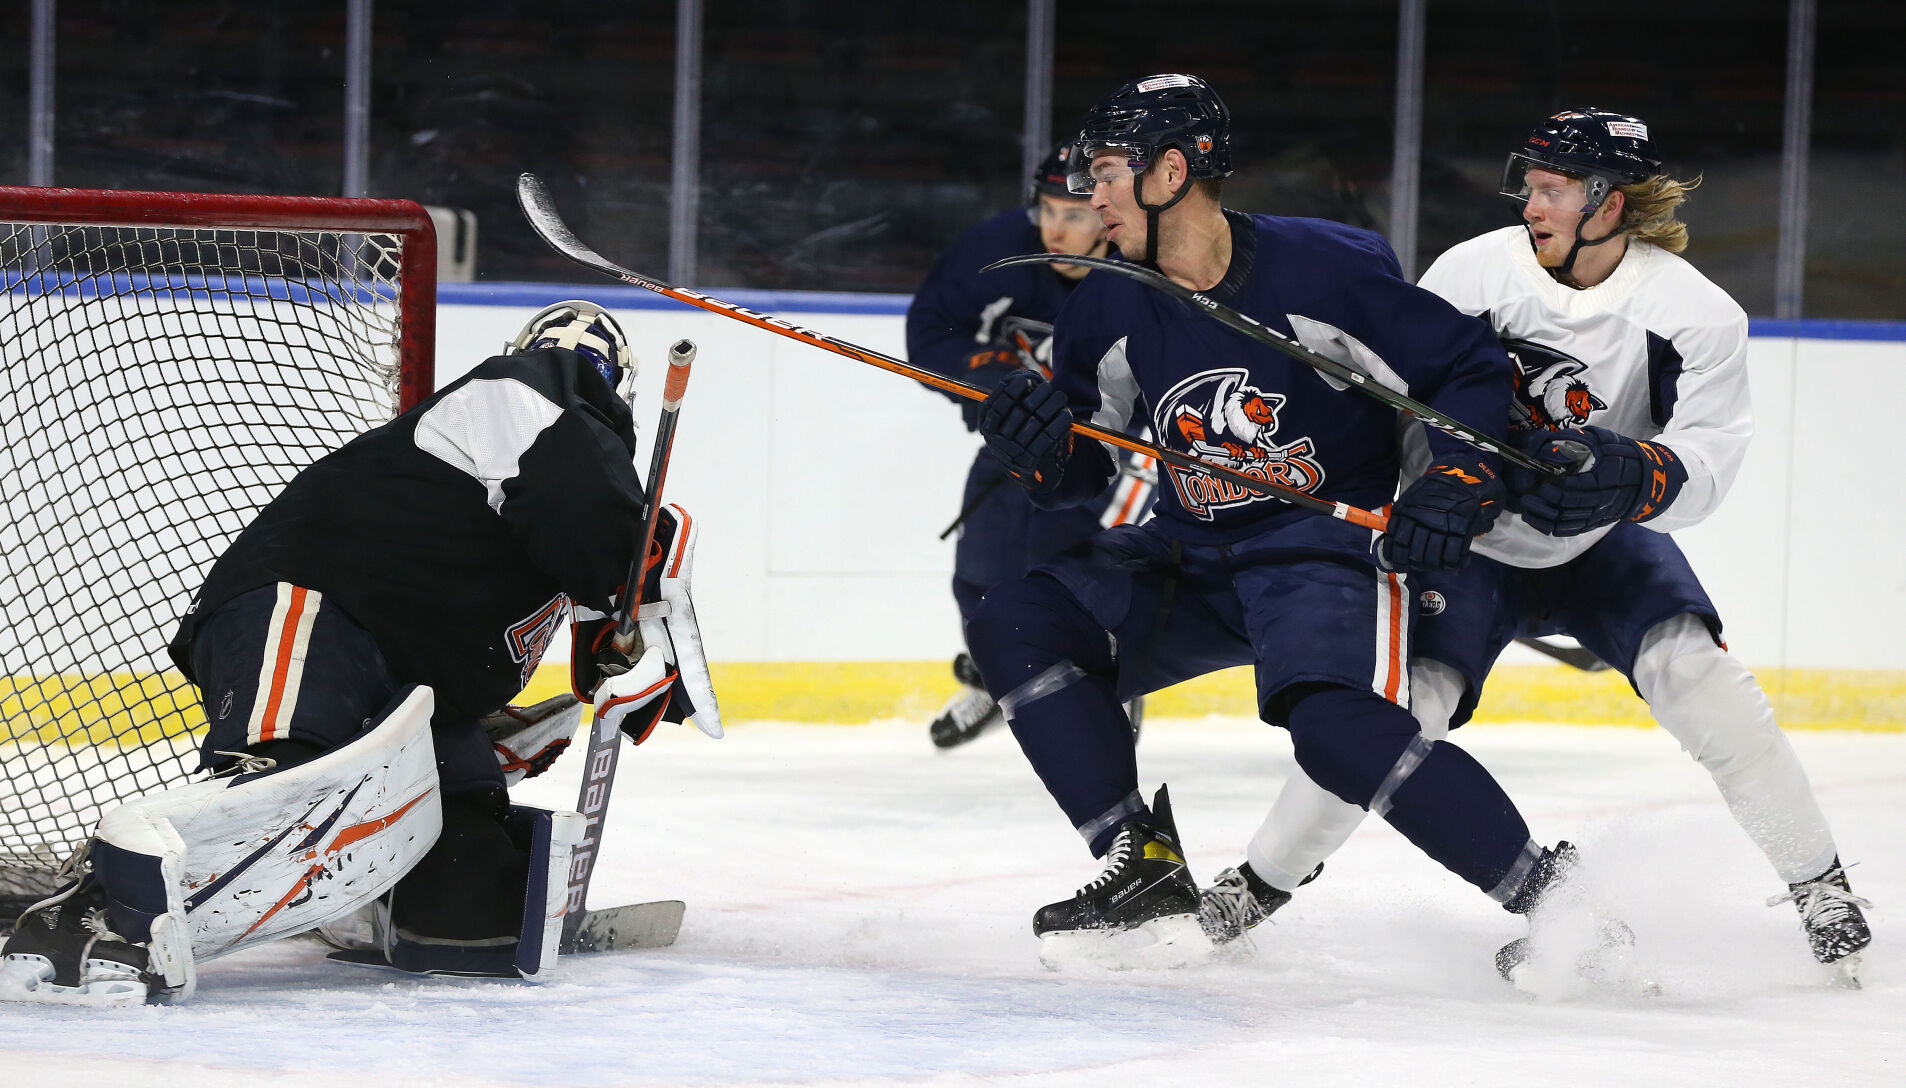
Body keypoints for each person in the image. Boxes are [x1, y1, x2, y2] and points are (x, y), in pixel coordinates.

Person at [1220, 108, 1873, 987]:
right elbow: (1402, 398)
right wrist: (1439, 488)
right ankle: (1256, 887)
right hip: (1473, 544)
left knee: (1699, 677)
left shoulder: (1694, 313)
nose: (1531, 204)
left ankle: (1821, 888)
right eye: (1529, 185)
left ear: (1612, 202)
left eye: (1554, 188)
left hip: (1600, 544)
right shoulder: (1472, 272)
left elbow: (1712, 457)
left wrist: (1636, 472)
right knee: (1395, 716)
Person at [964, 73, 1583, 970]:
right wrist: (1038, 449)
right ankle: (1140, 860)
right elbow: (1079, 472)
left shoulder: (1326, 268)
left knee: (1339, 735)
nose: (1089, 194)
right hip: (1188, 553)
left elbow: (1465, 365)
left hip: (1321, 551)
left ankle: (1560, 904)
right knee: (1016, 621)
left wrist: (1457, 475)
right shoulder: (1106, 301)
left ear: (1170, 172)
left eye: (1105, 172)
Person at [0, 301, 722, 1005]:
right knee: (289, 790)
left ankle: (407, 911)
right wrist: (632, 587)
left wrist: (501, 721)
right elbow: (592, 515)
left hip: (409, 681)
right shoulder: (532, 394)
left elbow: (529, 573)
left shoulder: (548, 501)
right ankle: (91, 917)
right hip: (311, 609)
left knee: (470, 876)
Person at [906, 144, 1153, 749]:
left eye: (1074, 214)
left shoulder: (1143, 272)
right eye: (1047, 210)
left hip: (1115, 444)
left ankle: (1108, 682)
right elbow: (930, 332)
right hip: (1017, 437)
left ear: (1108, 210)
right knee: (982, 565)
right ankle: (998, 675)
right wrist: (991, 380)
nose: (1055, 230)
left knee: (1079, 566)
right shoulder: (998, 250)